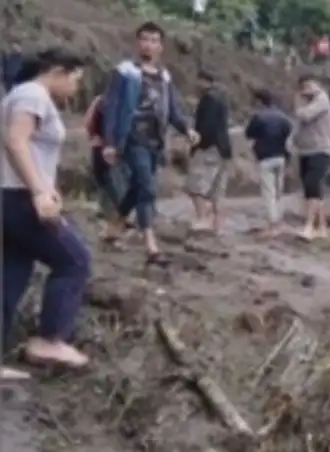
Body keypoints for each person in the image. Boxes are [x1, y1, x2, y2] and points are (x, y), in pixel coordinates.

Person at [0, 47, 92, 380]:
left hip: (10, 196)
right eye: (76, 80)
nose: (76, 88)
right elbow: (16, 141)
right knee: (75, 260)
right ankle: (50, 339)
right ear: (59, 71)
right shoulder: (33, 94)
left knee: (11, 276)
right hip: (19, 198)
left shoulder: (19, 94)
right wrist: (39, 191)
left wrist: (47, 186)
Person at [101, 21, 199, 265]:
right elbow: (111, 107)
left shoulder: (164, 77)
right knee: (147, 186)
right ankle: (150, 245)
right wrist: (110, 142)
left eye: (154, 40)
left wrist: (187, 128)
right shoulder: (124, 72)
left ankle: (114, 227)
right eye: (144, 39)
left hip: (156, 141)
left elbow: (173, 108)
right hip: (132, 138)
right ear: (137, 43)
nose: (148, 44)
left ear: (161, 46)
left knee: (138, 186)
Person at [185, 69, 232, 234]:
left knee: (194, 185)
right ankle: (217, 225)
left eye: (198, 81)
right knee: (217, 190)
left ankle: (202, 219)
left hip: (209, 147)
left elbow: (206, 126)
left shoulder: (208, 98)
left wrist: (197, 145)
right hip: (224, 148)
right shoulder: (223, 97)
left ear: (203, 81)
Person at [245, 88, 293, 238]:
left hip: (265, 157)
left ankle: (272, 225)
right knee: (279, 191)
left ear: (259, 101)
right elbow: (288, 134)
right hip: (281, 156)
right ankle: (279, 222)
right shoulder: (283, 117)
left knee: (268, 193)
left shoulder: (258, 117)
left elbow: (248, 134)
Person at [292, 74, 330, 240]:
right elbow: (298, 125)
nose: (306, 90)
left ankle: (309, 227)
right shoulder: (308, 101)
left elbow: (304, 116)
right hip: (306, 150)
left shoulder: (321, 100)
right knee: (314, 191)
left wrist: (298, 101)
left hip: (320, 150)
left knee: (312, 187)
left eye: (309, 85)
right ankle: (322, 228)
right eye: (303, 87)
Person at [84, 94, 130, 239]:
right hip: (119, 148)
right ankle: (116, 222)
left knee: (106, 183)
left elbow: (87, 122)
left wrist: (93, 136)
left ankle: (115, 220)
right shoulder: (127, 101)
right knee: (115, 183)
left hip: (100, 146)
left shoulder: (101, 100)